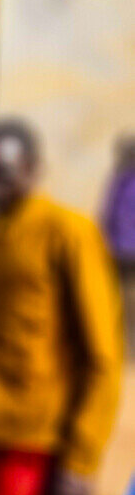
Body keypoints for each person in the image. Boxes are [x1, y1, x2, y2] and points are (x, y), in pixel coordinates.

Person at [0, 120, 123, 495]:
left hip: (43, 439)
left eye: (7, 170)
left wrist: (81, 459)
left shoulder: (68, 232)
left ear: (33, 169)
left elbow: (103, 354)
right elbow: (1, 338)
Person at [103, 132, 135, 356]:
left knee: (129, 300)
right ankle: (117, 342)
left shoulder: (124, 181)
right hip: (118, 250)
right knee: (116, 299)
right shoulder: (118, 179)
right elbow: (108, 213)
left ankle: (129, 344)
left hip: (129, 251)